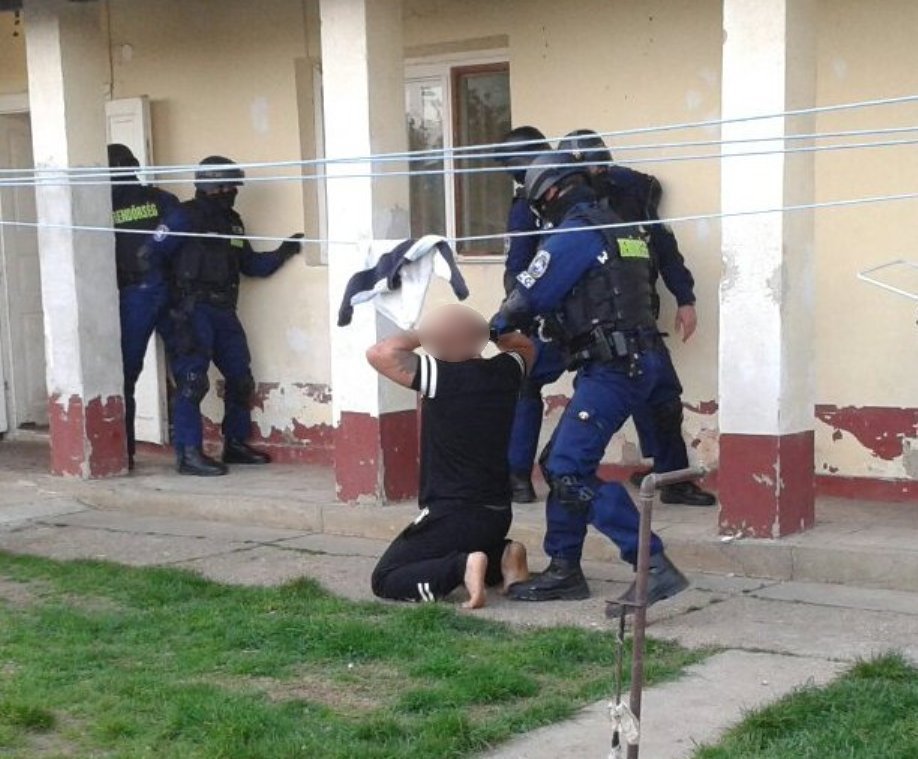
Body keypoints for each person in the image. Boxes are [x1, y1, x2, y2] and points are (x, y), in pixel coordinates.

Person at [491, 153, 689, 612]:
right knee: (558, 460)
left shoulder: (575, 233)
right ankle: (565, 569)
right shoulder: (623, 227)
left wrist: (495, 327)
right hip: (637, 360)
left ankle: (652, 564)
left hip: (614, 367)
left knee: (568, 469)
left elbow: (528, 294)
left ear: (549, 194)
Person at [557, 129, 715, 507]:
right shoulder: (552, 206)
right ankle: (560, 474)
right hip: (585, 328)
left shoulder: (631, 197)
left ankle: (672, 477)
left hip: (637, 322)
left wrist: (685, 298)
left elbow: (664, 249)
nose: (599, 174)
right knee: (588, 409)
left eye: (602, 167)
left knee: (663, 399)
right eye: (592, 169)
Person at [144, 156, 303, 476]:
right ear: (212, 186)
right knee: (192, 381)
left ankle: (235, 444)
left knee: (240, 378)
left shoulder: (232, 222)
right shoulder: (183, 217)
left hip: (223, 312)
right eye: (229, 186)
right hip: (190, 311)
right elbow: (150, 255)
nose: (234, 192)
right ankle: (189, 454)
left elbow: (251, 266)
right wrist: (165, 305)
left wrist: (285, 250)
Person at [368, 304, 534, 609]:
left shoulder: (441, 377)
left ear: (436, 344)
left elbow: (381, 352)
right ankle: (505, 556)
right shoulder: (506, 371)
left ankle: (464, 567)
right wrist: (489, 332)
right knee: (445, 549)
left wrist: (423, 333)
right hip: (497, 513)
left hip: (452, 514)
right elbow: (525, 346)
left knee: (386, 578)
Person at [493, 126, 568, 503]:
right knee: (609, 382)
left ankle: (519, 476)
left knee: (524, 382)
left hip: (547, 312)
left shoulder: (528, 204)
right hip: (602, 311)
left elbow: (518, 266)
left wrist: (512, 313)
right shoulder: (589, 194)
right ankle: (550, 464)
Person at [108, 143, 179, 470]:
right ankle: (186, 454)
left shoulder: (105, 204)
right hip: (156, 291)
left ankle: (124, 455)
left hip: (141, 292)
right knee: (187, 372)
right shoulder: (161, 199)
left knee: (128, 376)